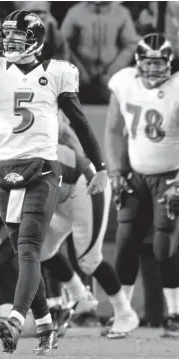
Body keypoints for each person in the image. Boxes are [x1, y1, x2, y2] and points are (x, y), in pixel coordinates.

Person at [0, 10, 109, 354]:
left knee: (28, 249)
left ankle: (15, 319)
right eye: (7, 38)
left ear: (36, 41)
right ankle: (46, 327)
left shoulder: (56, 72)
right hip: (4, 168)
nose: (10, 44)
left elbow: (80, 121)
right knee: (20, 253)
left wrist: (100, 166)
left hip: (41, 166)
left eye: (18, 39)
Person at [0, 117, 139, 338]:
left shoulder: (15, 155)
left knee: (89, 259)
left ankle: (125, 313)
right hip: (58, 192)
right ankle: (81, 297)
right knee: (41, 251)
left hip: (84, 183)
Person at [105, 33, 179, 337]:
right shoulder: (124, 82)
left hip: (170, 174)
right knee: (125, 243)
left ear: (169, 64)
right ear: (138, 62)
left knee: (165, 245)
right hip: (134, 173)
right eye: (148, 62)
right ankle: (123, 313)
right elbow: (112, 129)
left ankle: (174, 312)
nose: (153, 69)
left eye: (159, 63)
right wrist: (115, 171)